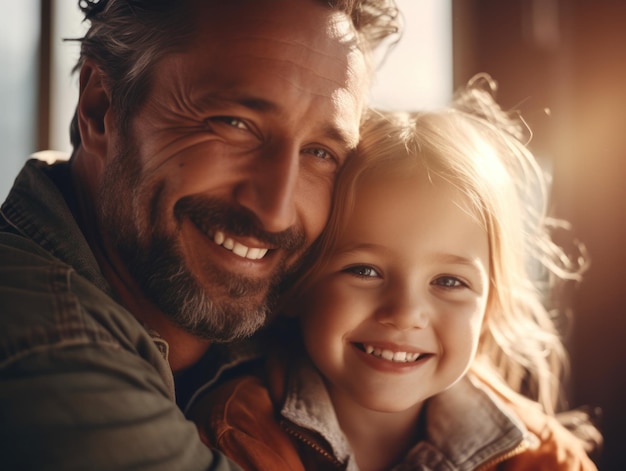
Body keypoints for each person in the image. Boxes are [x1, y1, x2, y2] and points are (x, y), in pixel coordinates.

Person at [0, 0, 400, 469]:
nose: (275, 213)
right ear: (101, 106)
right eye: (235, 125)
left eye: (320, 152)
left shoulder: (306, 318)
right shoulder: (48, 348)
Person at [190, 77, 601, 470]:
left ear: (490, 305)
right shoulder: (238, 435)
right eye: (365, 270)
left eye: (449, 281)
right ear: (299, 285)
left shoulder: (544, 460)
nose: (405, 313)